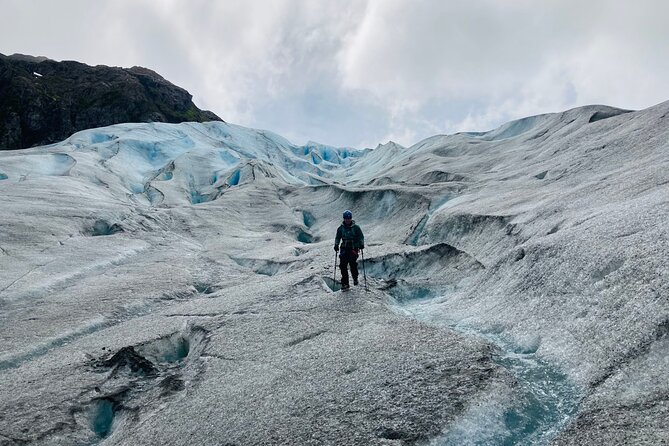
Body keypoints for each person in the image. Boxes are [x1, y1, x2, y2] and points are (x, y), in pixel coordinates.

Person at [334, 210, 365, 290]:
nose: (347, 220)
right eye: (346, 218)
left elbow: (361, 236)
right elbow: (338, 237)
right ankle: (345, 283)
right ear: (344, 219)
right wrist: (336, 245)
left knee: (352, 263)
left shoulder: (356, 228)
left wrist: (361, 244)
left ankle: (355, 277)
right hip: (344, 248)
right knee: (343, 265)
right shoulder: (340, 228)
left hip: (353, 248)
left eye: (349, 218)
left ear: (351, 218)